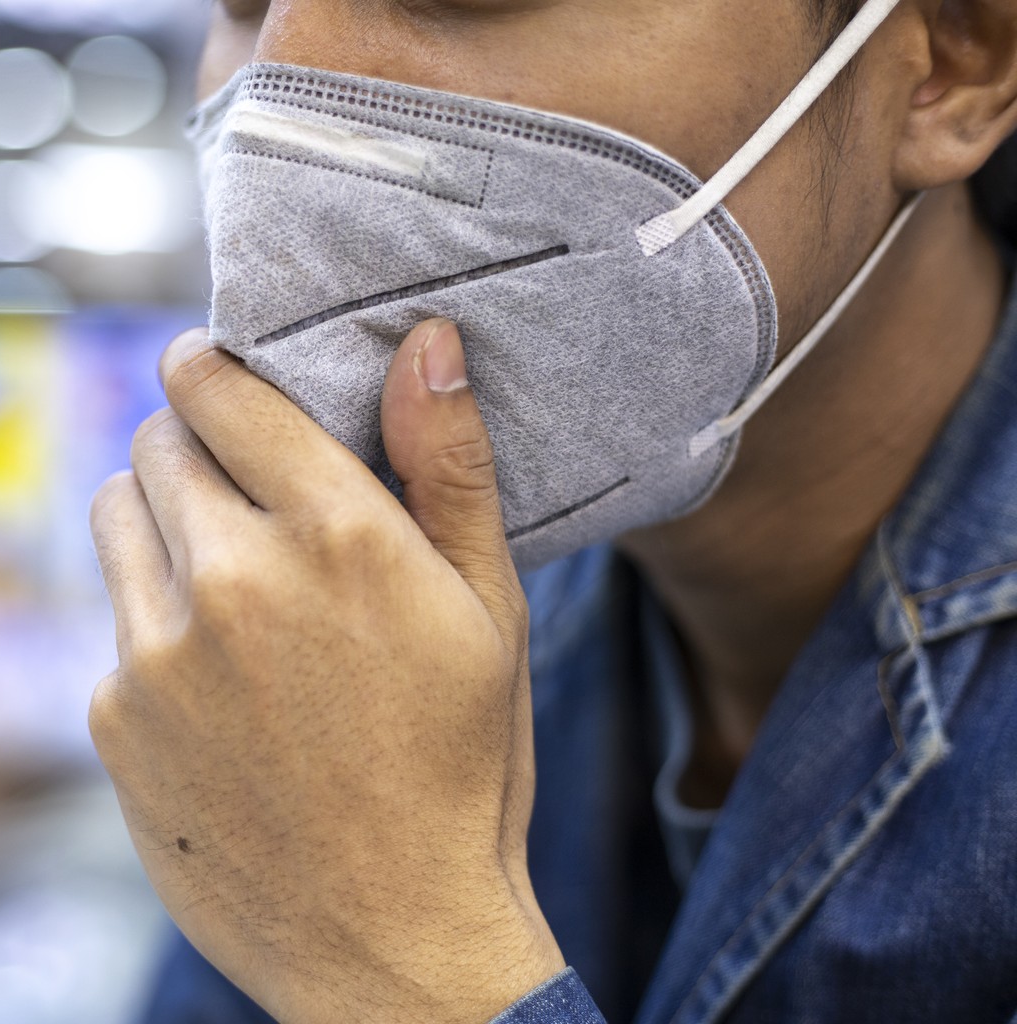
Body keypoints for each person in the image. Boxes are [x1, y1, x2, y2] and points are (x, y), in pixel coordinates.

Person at [86, 0, 1017, 1020]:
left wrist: (408, 962)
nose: (281, 84)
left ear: (957, 59)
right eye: (243, 1)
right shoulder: (370, 640)